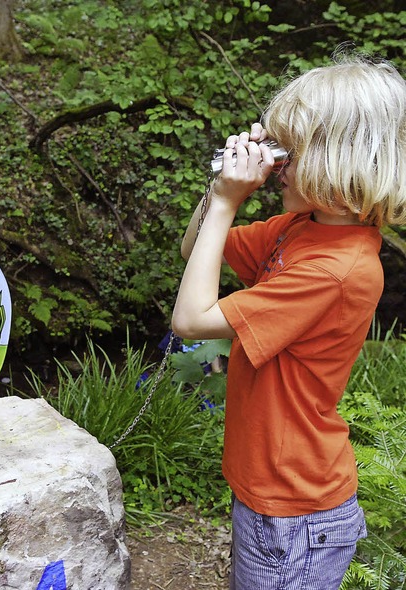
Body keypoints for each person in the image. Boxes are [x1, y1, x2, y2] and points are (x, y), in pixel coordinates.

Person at [171, 52, 406, 590]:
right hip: (270, 491)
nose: (275, 163)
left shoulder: (337, 269)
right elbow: (195, 250)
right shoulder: (301, 228)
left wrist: (231, 202)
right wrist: (220, 191)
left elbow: (190, 318)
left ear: (338, 159)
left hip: (295, 513)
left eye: (288, 152)